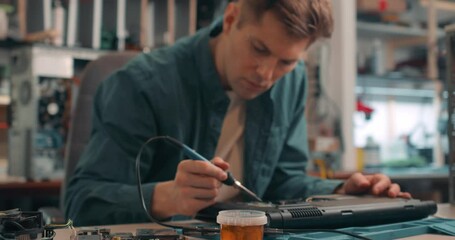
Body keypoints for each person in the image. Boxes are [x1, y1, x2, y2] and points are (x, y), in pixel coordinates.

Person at [65, 0, 411, 226]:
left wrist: (339, 192)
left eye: (286, 61)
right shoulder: (140, 85)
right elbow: (80, 204)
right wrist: (167, 197)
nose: (266, 74)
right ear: (231, 18)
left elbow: (281, 182)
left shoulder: (292, 82)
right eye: (259, 49)